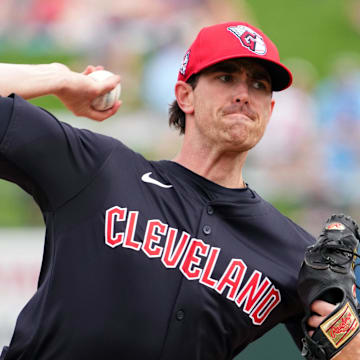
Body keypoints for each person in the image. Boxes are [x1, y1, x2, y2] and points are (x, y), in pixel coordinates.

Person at [0, 21, 358, 360]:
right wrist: (60, 78)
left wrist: (346, 327)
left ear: (270, 110)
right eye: (226, 77)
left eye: (259, 85)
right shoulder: (99, 170)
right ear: (185, 96)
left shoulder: (295, 254)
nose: (243, 94)